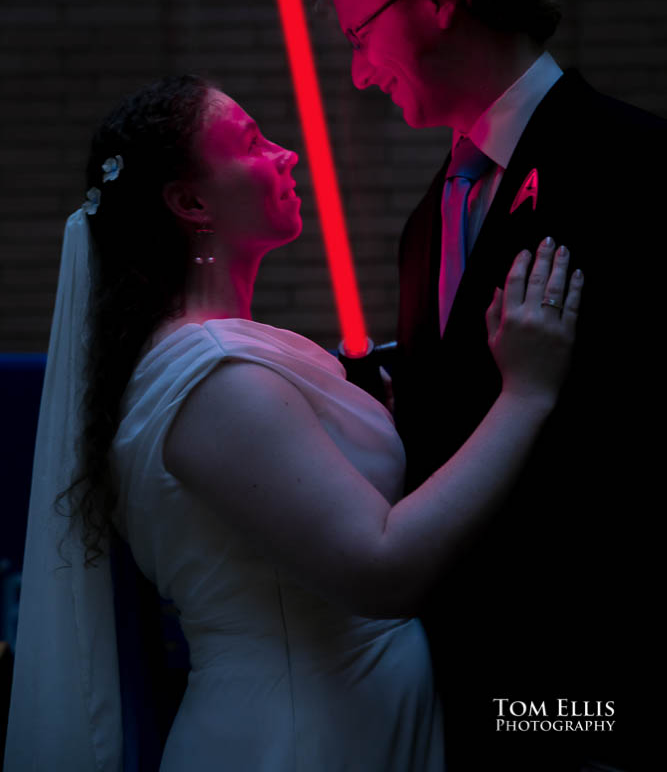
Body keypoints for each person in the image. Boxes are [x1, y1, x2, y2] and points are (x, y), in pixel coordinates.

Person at [4, 74, 583, 772]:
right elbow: (383, 568)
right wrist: (525, 393)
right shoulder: (213, 375)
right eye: (251, 144)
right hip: (296, 736)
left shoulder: (228, 353)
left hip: (346, 716)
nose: (287, 155)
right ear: (190, 202)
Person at [329, 0, 666, 771]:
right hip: (465, 681)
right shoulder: (427, 219)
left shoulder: (634, 167)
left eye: (361, 34)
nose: (359, 71)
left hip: (593, 685)